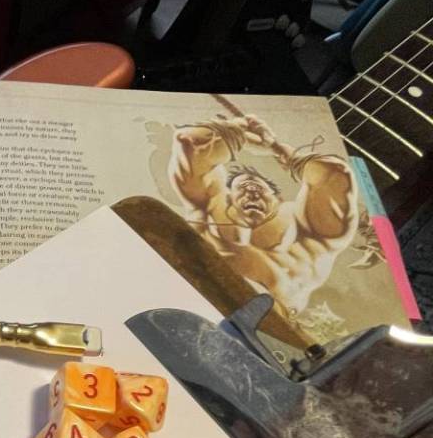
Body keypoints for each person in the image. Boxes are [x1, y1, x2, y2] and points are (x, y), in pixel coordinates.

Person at [151, 115, 359, 313]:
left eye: (259, 189)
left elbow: (334, 176)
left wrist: (280, 150)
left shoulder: (308, 235)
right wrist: (237, 130)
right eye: (243, 188)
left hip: (265, 323)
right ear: (228, 197)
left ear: (278, 201)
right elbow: (188, 142)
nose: (251, 192)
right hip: (183, 297)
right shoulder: (209, 210)